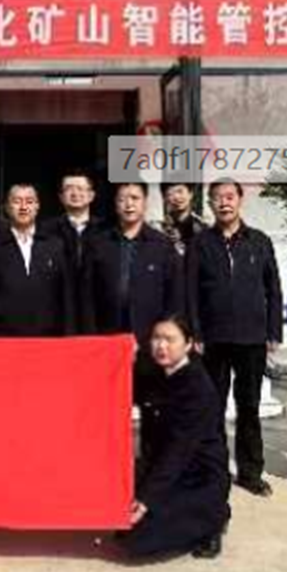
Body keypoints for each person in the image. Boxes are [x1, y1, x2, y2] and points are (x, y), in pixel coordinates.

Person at [185, 179, 283, 497]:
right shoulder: (200, 244)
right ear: (210, 204)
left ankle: (251, 473)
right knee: (211, 409)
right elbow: (190, 292)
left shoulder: (259, 241)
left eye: (230, 197)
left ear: (240, 201)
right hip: (212, 339)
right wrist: (194, 332)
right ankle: (213, 470)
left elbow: (273, 289)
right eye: (217, 198)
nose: (224, 202)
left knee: (249, 407)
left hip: (252, 338)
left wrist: (273, 331)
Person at [121, 316, 231, 561]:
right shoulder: (152, 374)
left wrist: (145, 500)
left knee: (138, 540)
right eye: (156, 339)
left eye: (169, 340)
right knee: (119, 520)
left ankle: (213, 521)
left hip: (197, 475)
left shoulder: (197, 387)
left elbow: (177, 452)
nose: (161, 346)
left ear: (188, 344)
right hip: (160, 466)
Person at [80, 182, 183, 428]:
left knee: (153, 411)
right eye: (123, 199)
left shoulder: (162, 245)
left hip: (150, 343)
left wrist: (165, 338)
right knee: (106, 410)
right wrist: (91, 338)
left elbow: (174, 297)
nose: (129, 204)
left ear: (145, 203)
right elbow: (85, 296)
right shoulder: (98, 243)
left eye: (135, 198)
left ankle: (151, 454)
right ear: (115, 204)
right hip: (106, 341)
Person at [0, 184, 73, 337]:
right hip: (3, 337)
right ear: (6, 207)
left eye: (29, 201)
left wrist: (68, 336)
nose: (23, 207)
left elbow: (66, 296)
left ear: (37, 206)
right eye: (17, 201)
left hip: (48, 337)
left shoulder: (55, 246)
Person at [45, 169, 99, 273]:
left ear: (91, 195)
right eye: (69, 188)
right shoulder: (46, 230)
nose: (75, 193)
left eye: (80, 188)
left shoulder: (105, 229)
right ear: (61, 197)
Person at [156, 181, 204, 257]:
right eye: (171, 194)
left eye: (180, 191)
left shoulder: (202, 228)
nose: (176, 197)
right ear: (164, 198)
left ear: (191, 194)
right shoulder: (158, 228)